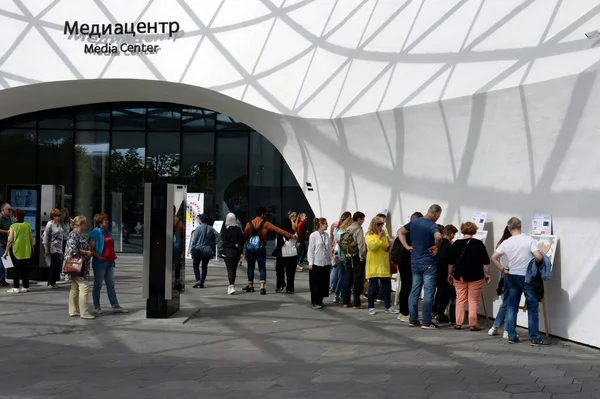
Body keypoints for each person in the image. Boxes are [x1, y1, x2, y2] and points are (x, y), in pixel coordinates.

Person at [490, 217, 548, 346]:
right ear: (520, 227)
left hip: (512, 276)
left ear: (509, 228)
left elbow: (493, 258)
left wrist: (503, 270)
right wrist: (536, 262)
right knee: (532, 307)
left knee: (512, 306)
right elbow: (538, 257)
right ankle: (535, 337)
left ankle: (512, 335)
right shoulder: (528, 240)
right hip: (527, 277)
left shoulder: (506, 242)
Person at [397, 204, 443, 329]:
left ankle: (413, 319)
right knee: (428, 292)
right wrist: (437, 247)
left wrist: (407, 246)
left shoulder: (415, 222)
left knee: (414, 289)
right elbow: (438, 237)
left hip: (415, 261)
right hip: (428, 262)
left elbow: (400, 231)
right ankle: (426, 322)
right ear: (436, 215)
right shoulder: (432, 225)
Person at [447, 222, 491, 331]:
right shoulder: (479, 244)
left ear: (462, 230)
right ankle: (473, 324)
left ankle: (458, 323)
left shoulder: (456, 243)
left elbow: (451, 261)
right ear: (474, 231)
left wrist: (449, 273)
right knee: (473, 300)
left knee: (460, 299)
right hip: (476, 276)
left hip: (459, 275)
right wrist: (488, 273)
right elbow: (486, 262)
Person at [243, 206, 295, 295]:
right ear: (263, 214)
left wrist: (243, 249)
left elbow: (244, 236)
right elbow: (279, 230)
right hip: (261, 248)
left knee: (250, 267)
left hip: (250, 249)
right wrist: (290, 235)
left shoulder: (249, 224)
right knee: (262, 268)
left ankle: (250, 285)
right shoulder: (266, 224)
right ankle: (262, 286)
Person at [88, 213, 129, 315]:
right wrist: (99, 257)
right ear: (100, 222)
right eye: (105, 220)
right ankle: (97, 306)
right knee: (98, 284)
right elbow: (91, 248)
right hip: (100, 262)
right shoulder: (95, 232)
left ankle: (115, 305)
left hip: (110, 261)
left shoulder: (107, 232)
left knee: (111, 284)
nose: (108, 222)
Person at [391, 211, 422, 322]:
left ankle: (403, 312)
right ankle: (405, 312)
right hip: (409, 262)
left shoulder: (402, 232)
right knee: (409, 287)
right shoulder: (413, 234)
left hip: (402, 262)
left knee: (405, 287)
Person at [365, 216, 399, 315]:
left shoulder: (383, 234)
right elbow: (372, 246)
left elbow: (385, 245)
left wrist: (388, 248)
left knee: (386, 286)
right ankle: (370, 306)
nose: (381, 226)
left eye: (382, 224)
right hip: (374, 264)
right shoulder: (369, 235)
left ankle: (388, 306)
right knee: (373, 286)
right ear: (373, 225)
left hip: (383, 264)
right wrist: (379, 237)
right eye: (378, 224)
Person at [65, 216, 95, 319]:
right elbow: (73, 249)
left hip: (77, 266)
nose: (86, 226)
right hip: (78, 266)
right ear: (80, 224)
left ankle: (73, 310)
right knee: (84, 287)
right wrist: (86, 252)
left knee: (75, 288)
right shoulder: (74, 234)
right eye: (85, 223)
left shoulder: (76, 234)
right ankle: (84, 312)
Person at [488, 226, 514, 338]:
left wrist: (502, 269)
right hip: (512, 273)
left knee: (506, 302)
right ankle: (506, 330)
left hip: (504, 273)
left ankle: (495, 327)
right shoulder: (511, 243)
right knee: (509, 303)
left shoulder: (501, 243)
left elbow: (496, 259)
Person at [2, 208, 33, 293]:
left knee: (16, 270)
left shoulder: (13, 226)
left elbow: (10, 240)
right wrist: (32, 248)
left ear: (15, 217)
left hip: (17, 251)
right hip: (26, 251)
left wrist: (5, 252)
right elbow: (31, 238)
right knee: (25, 270)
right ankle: (26, 286)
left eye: (13, 216)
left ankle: (16, 288)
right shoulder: (27, 225)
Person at [341, 212, 367, 309]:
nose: (363, 221)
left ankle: (346, 301)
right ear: (359, 219)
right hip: (356, 257)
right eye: (363, 219)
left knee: (347, 278)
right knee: (357, 280)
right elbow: (361, 245)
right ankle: (356, 303)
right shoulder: (359, 229)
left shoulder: (348, 228)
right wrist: (362, 257)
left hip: (348, 256)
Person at [435, 224, 458, 324]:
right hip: (444, 271)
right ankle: (441, 313)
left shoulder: (440, 243)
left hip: (438, 270)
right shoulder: (447, 244)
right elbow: (449, 259)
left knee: (439, 292)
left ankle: (437, 311)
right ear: (451, 234)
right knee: (445, 293)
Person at [189, 214, 219, 288]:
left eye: (199, 219)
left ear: (201, 220)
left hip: (198, 249)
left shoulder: (198, 229)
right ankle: (202, 282)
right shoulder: (211, 228)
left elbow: (194, 240)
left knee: (195, 265)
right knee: (204, 266)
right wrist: (214, 242)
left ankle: (198, 280)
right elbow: (218, 235)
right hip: (207, 250)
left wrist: (192, 248)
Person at [307, 218, 332, 309]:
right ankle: (315, 301)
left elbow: (329, 248)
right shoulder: (313, 235)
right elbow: (311, 249)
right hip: (316, 262)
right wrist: (310, 262)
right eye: (325, 223)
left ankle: (320, 300)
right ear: (320, 224)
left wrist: (330, 260)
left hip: (325, 262)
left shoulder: (326, 235)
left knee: (323, 282)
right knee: (315, 283)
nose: (326, 225)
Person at [221, 212, 245, 295]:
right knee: (233, 270)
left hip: (227, 253)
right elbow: (241, 242)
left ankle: (231, 286)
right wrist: (241, 252)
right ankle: (232, 285)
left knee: (230, 269)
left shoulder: (225, 229)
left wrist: (231, 245)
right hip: (236, 253)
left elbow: (224, 242)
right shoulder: (238, 229)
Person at [274, 217, 298, 294]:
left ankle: (280, 285)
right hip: (292, 254)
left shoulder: (279, 233)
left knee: (279, 271)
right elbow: (296, 242)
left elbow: (276, 244)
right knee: (291, 272)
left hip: (281, 255)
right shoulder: (294, 232)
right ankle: (290, 288)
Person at [333, 215, 353, 303]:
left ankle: (337, 294)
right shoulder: (345, 233)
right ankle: (341, 295)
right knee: (345, 277)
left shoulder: (339, 232)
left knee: (341, 276)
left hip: (340, 256)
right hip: (345, 256)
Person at [43, 208, 64, 289]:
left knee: (57, 264)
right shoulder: (50, 224)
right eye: (57, 216)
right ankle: (50, 282)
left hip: (59, 247)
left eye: (59, 215)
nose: (59, 217)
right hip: (53, 247)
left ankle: (53, 281)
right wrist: (46, 249)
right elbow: (45, 236)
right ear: (53, 216)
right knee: (54, 264)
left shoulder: (59, 224)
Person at [0, 203, 12, 287]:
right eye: (8, 209)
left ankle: (3, 280)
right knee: (1, 263)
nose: (10, 211)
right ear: (3, 210)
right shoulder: (0, 218)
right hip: (0, 243)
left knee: (6, 263)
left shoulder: (8, 218)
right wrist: (7, 232)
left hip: (6, 243)